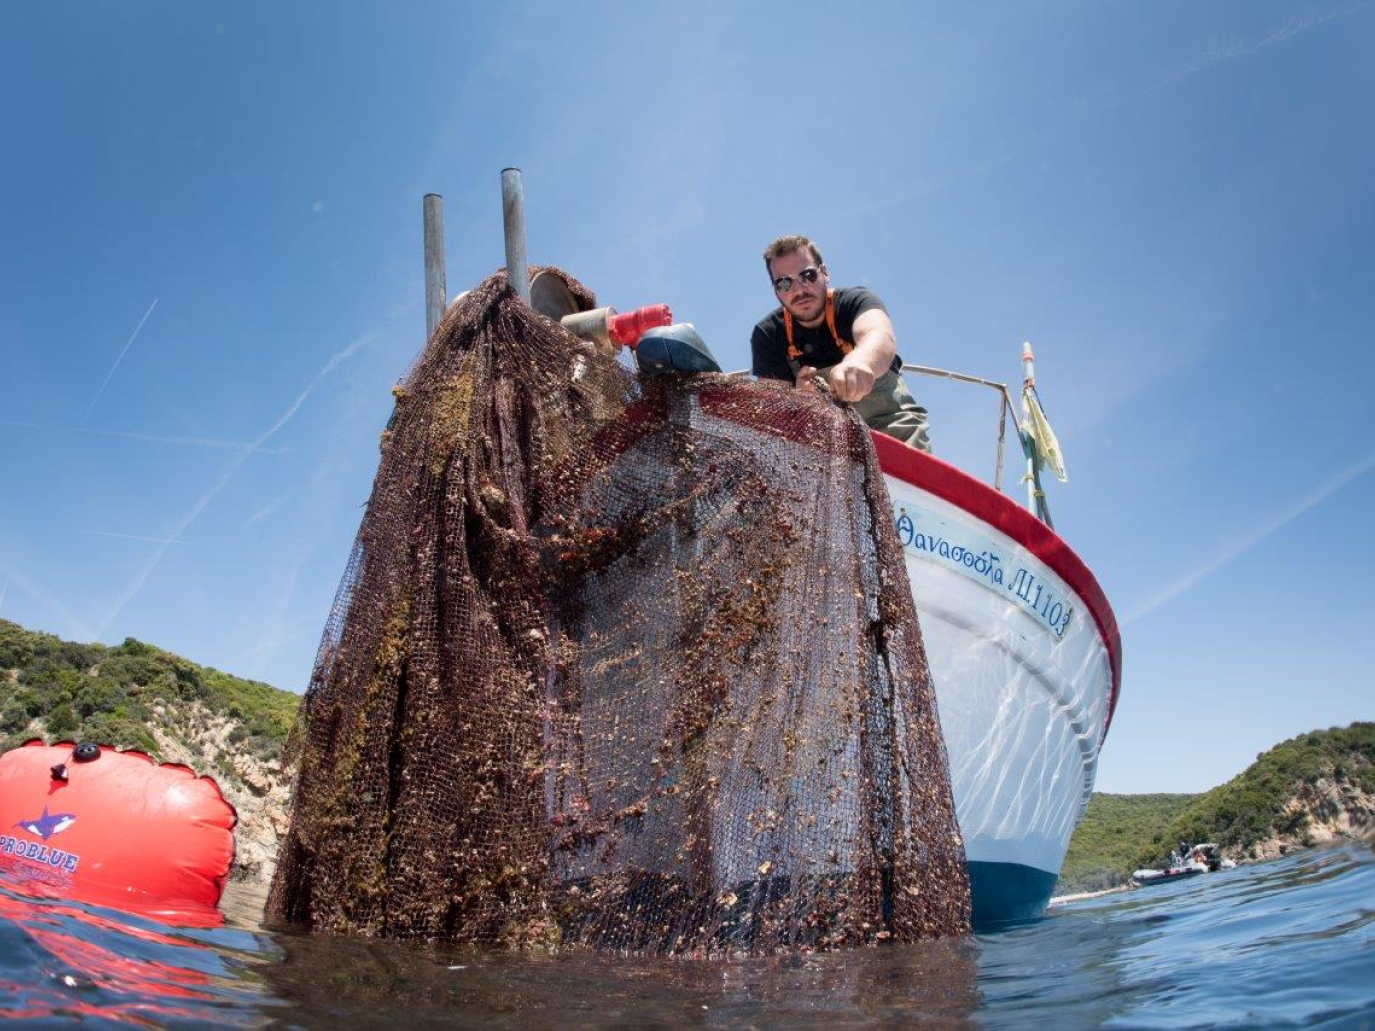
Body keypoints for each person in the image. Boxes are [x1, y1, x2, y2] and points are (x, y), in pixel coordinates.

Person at [750, 234, 931, 451]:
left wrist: (861, 363)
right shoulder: (768, 335)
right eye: (784, 283)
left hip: (894, 435)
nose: (799, 290)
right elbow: (773, 414)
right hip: (824, 451)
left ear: (824, 273)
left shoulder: (856, 302)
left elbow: (879, 335)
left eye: (807, 275)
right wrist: (798, 403)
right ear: (776, 290)